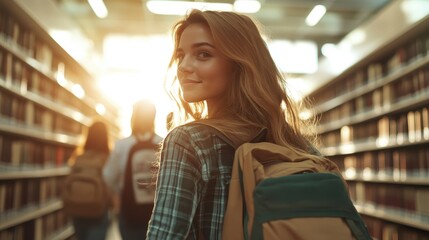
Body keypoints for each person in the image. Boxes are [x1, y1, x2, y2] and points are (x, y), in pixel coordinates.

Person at [146, 9, 320, 240]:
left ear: (239, 64)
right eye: (181, 55)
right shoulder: (296, 145)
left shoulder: (188, 141)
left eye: (203, 54)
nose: (183, 66)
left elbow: (164, 236)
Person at [103, 99, 163, 240]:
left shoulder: (122, 145)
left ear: (133, 118)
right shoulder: (163, 142)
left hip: (129, 211)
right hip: (156, 211)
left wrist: (119, 195)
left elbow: (108, 177)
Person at [68, 120, 111, 240]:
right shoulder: (107, 159)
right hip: (98, 210)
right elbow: (111, 185)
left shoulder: (78, 158)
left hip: (77, 209)